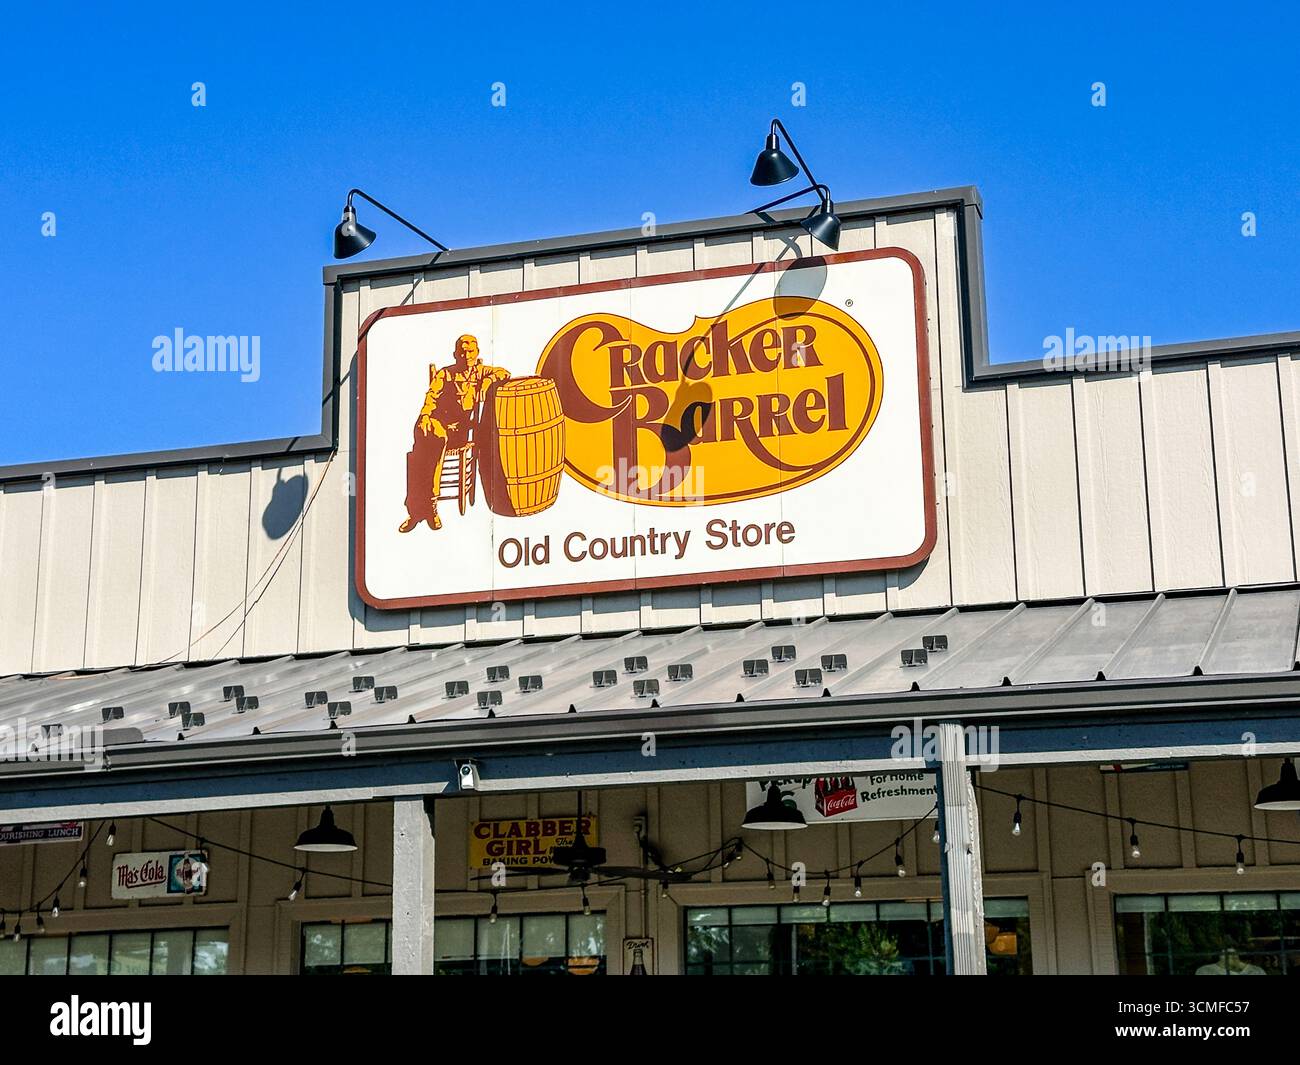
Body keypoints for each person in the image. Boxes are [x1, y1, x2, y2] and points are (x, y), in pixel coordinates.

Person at [399, 335, 510, 532]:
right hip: (437, 425)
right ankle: (423, 509)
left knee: (427, 451)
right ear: (455, 354)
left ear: (477, 353)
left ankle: (423, 508)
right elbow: (431, 396)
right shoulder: (446, 374)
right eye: (462, 352)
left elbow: (504, 373)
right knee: (422, 450)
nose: (466, 355)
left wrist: (487, 382)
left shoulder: (481, 372)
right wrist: (425, 415)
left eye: (470, 351)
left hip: (460, 432)